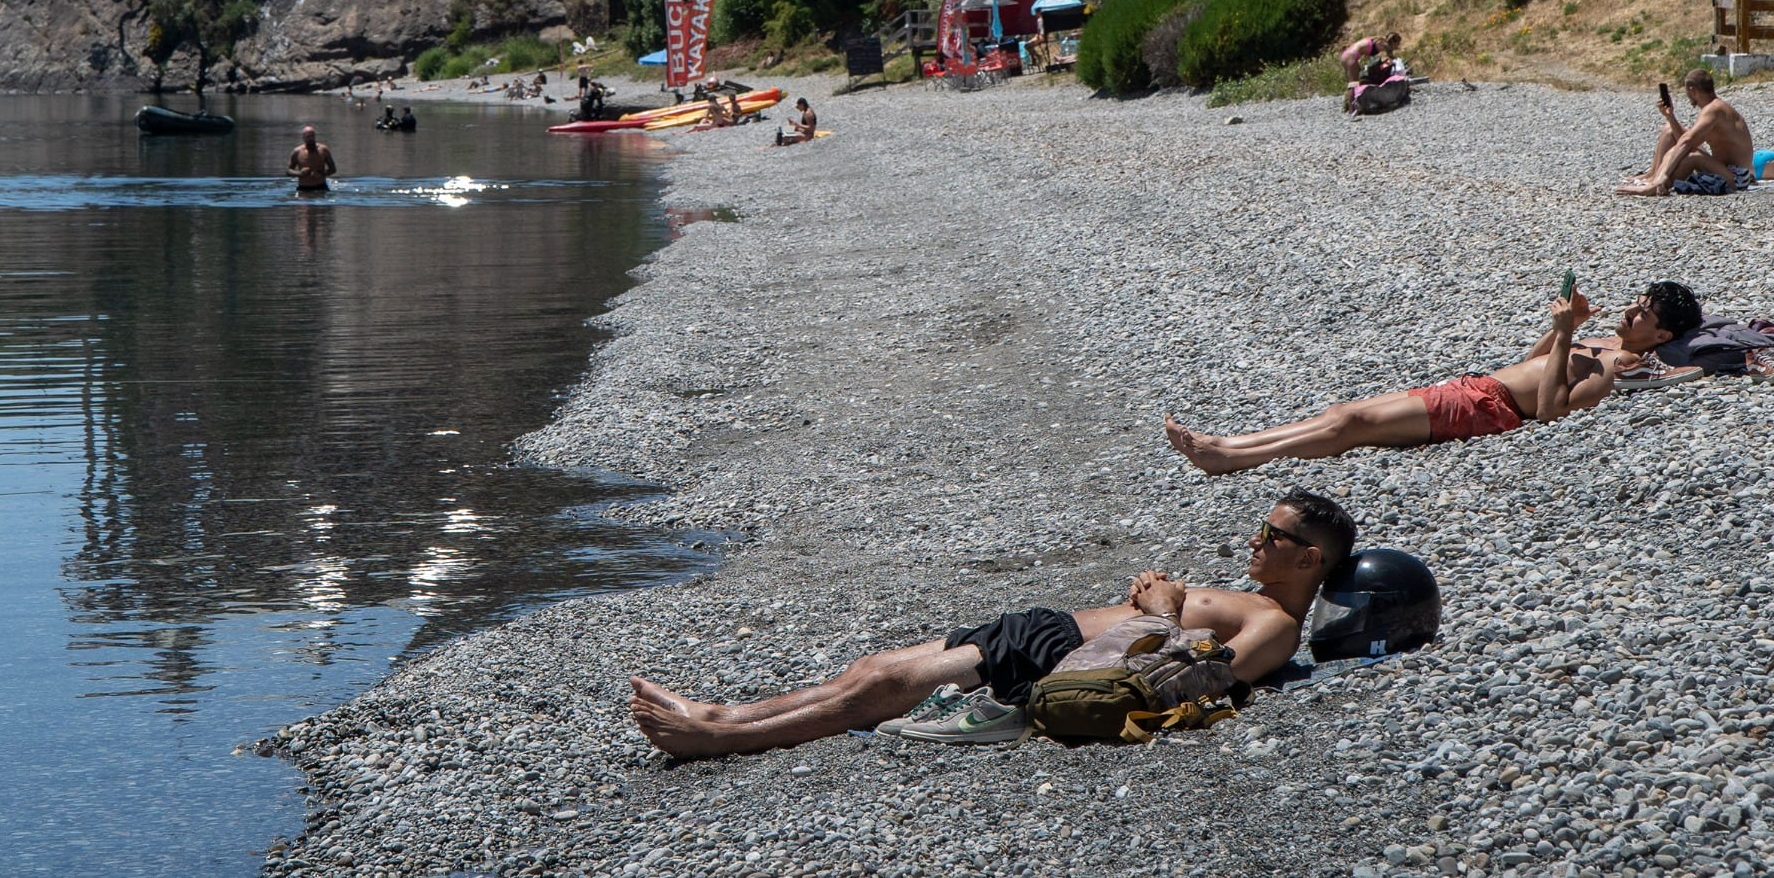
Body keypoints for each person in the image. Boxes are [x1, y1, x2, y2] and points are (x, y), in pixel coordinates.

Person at [628, 490, 1354, 756]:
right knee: (871, 669)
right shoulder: (1254, 595)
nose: (1256, 540)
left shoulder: (1276, 627)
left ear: (1311, 558)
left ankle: (718, 739)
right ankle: (726, 713)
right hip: (1047, 628)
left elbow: (1207, 679)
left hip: (1067, 656)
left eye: (1273, 535)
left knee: (884, 685)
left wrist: (1162, 608)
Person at [1164, 281, 1702, 474]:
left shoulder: (1622, 363)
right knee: (1341, 415)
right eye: (1635, 304)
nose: (1630, 314)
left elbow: (1552, 409)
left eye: (1643, 315)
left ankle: (1229, 457)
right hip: (1475, 388)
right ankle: (1228, 445)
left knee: (1352, 424)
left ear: (1659, 337)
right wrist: (1567, 326)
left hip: (1488, 410)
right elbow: (1533, 359)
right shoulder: (1604, 341)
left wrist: (1566, 337)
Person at [1619, 70, 1754, 195]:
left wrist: (1665, 174)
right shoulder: (1714, 107)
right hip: (1722, 169)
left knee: (1691, 155)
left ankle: (1658, 184)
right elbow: (1687, 140)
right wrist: (1670, 116)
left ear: (1692, 90)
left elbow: (1687, 141)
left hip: (1737, 178)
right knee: (1669, 129)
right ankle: (1652, 176)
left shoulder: (1714, 110)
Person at [287, 126, 335, 196]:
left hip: (321, 187)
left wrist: (322, 173)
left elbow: (333, 169)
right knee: (303, 206)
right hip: (303, 188)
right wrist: (300, 173)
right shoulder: (297, 152)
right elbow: (288, 171)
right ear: (303, 138)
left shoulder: (323, 150)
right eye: (308, 137)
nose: (310, 139)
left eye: (312, 136)